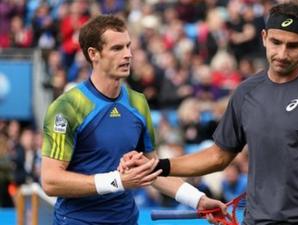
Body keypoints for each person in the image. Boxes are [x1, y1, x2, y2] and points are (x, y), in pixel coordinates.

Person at [122, 2, 298, 225]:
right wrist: (157, 165)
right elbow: (218, 157)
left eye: (293, 45)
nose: (282, 53)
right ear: (264, 37)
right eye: (276, 42)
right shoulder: (246, 92)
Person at [40, 15, 224, 225]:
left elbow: (151, 169)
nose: (128, 55)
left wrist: (197, 199)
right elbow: (51, 181)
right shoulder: (66, 107)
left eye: (128, 46)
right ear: (93, 54)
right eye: (117, 48)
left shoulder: (138, 102)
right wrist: (117, 181)